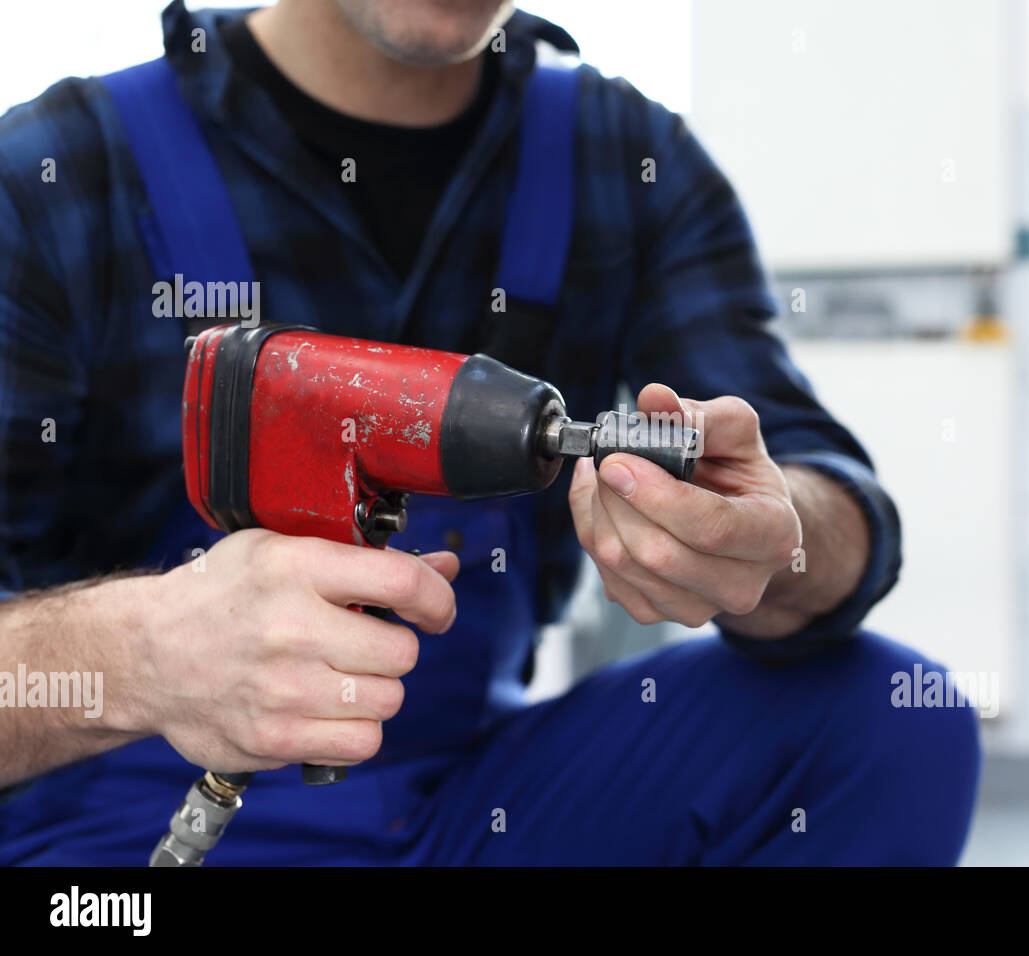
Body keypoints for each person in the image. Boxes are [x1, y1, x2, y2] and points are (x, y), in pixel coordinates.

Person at [0, 0, 978, 865]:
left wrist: (773, 542)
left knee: (888, 720)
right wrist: (142, 654)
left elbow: (823, 491)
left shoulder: (625, 161)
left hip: (474, 801)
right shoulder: (57, 175)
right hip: (121, 824)